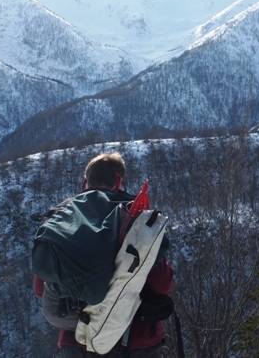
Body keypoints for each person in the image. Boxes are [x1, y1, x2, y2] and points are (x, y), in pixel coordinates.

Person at [32, 153, 174, 358]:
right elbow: (161, 283)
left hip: (78, 341)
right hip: (136, 341)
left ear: (84, 183)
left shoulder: (62, 217)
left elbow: (40, 288)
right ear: (119, 181)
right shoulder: (138, 217)